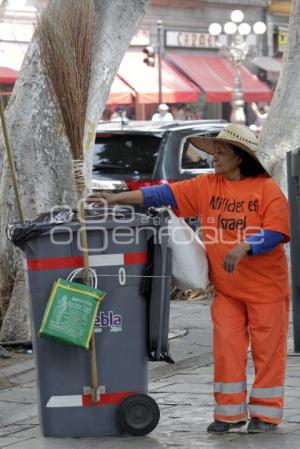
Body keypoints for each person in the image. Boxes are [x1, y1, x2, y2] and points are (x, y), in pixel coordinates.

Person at [87, 123, 290, 435]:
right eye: (214, 153)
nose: (214, 158)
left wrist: (246, 245)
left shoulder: (267, 190)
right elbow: (164, 193)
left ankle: (266, 414)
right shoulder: (207, 185)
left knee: (268, 352)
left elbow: (277, 231)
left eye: (221, 152)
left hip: (267, 291)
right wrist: (116, 199)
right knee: (227, 349)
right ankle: (229, 413)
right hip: (227, 291)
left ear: (240, 157)